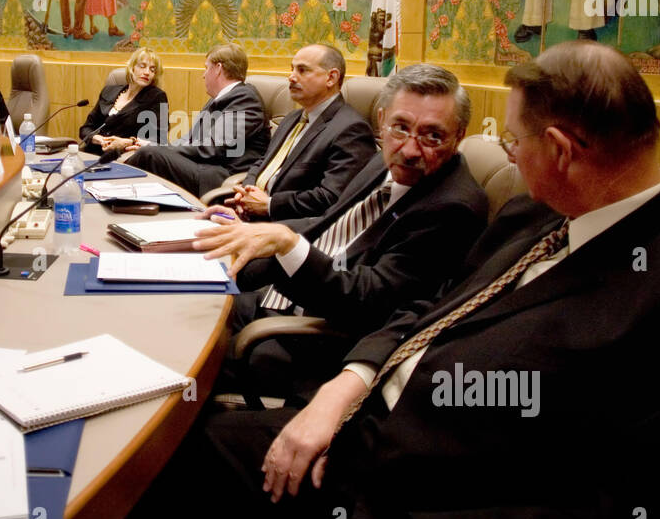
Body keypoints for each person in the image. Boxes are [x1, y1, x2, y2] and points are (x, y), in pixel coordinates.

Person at [124, 41, 660, 519]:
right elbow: (428, 311)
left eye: (513, 141)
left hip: (439, 509)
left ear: (560, 150)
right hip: (362, 433)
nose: (504, 157)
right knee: (169, 461)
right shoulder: (539, 214)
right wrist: (342, 391)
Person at [196, 64, 488, 399]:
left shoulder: (453, 208)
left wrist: (287, 244)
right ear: (381, 120)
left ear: (459, 135)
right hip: (283, 293)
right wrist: (254, 231)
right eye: (400, 127)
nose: (409, 150)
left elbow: (369, 299)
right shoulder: (382, 160)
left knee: (186, 368)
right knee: (187, 309)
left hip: (315, 340)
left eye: (432, 135)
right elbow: (329, 223)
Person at [224, 45, 376, 222]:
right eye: (292, 69)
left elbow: (332, 198)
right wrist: (247, 192)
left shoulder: (351, 129)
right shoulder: (292, 118)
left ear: (331, 77)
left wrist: (269, 205)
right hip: (250, 216)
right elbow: (263, 162)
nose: (291, 77)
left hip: (289, 230)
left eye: (302, 70)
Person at [128, 44, 271, 197]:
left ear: (218, 69)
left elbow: (210, 147)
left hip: (219, 175)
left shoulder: (246, 99)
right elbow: (190, 138)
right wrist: (157, 145)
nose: (203, 75)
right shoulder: (218, 99)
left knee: (150, 155)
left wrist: (158, 149)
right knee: (149, 151)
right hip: (203, 166)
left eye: (206, 68)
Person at [80, 47, 170, 151]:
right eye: (142, 66)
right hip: (94, 150)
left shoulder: (157, 97)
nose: (147, 72)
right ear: (132, 68)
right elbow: (85, 129)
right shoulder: (108, 91)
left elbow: (159, 140)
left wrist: (127, 142)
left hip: (126, 155)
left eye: (152, 70)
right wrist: (98, 139)